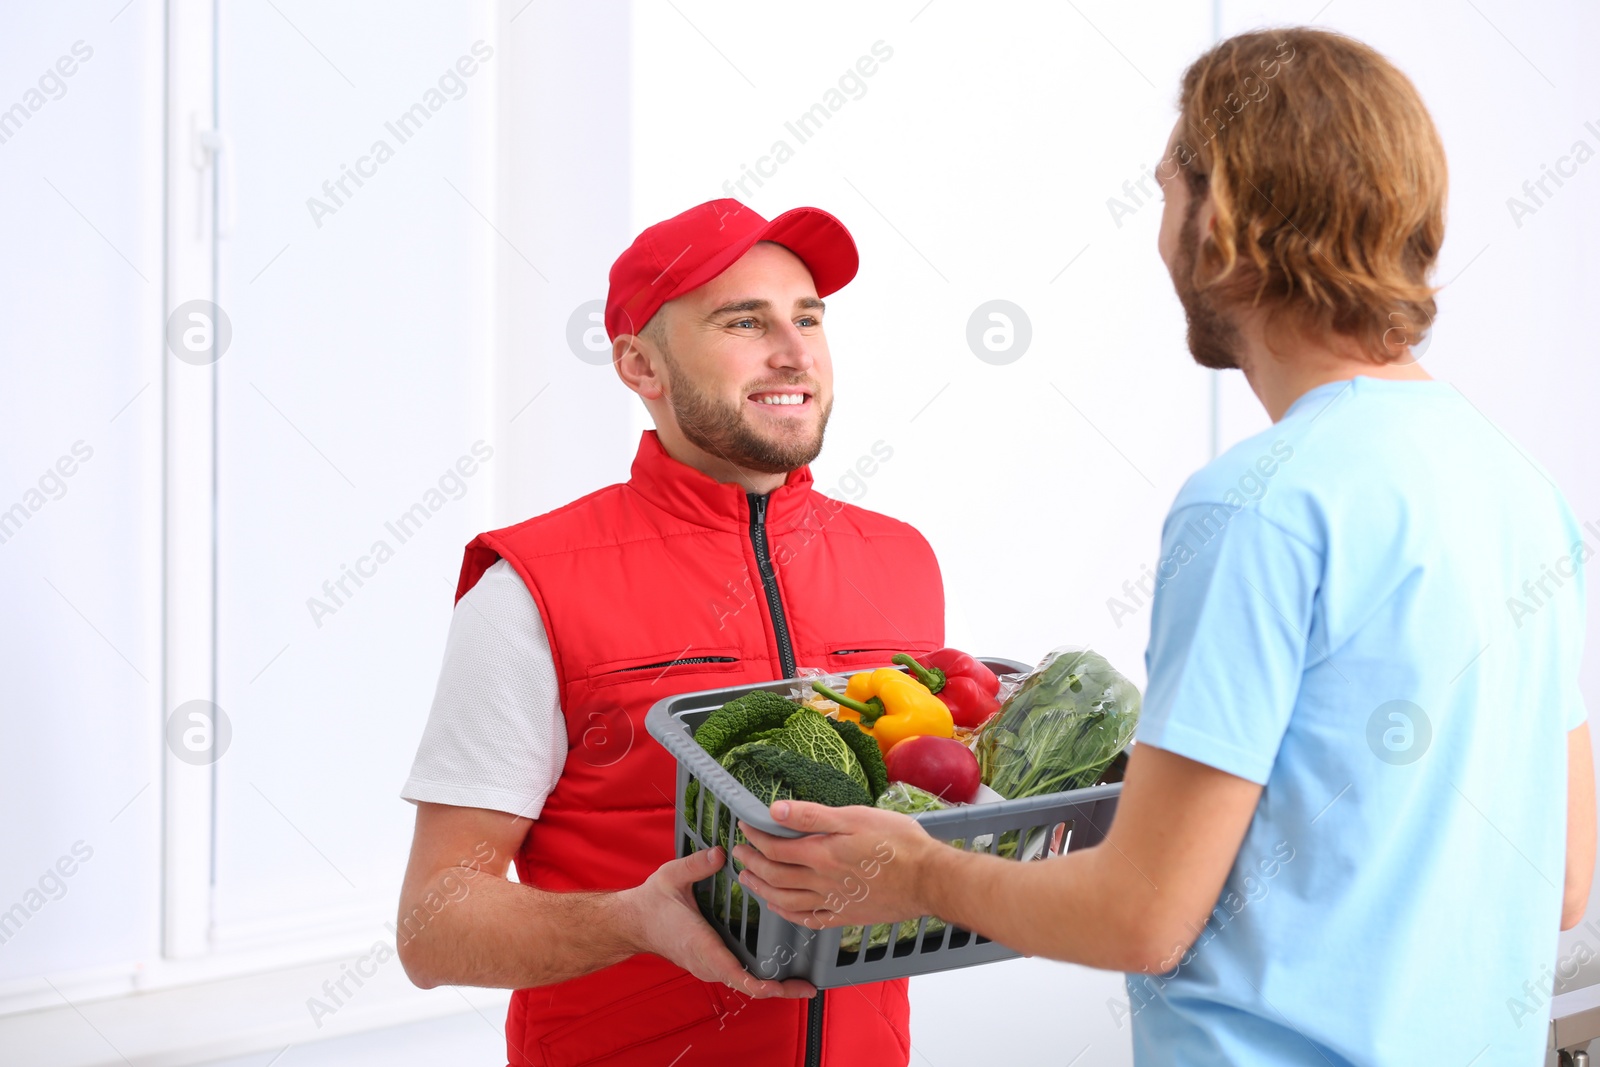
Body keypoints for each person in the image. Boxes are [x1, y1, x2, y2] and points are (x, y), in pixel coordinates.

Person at [735, 27, 1596, 1065]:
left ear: (1221, 220)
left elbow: (1142, 913)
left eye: (1167, 196)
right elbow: (1560, 877)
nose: (1160, 239)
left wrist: (918, 871)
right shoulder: (1516, 486)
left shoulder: (1255, 505)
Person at [394, 198, 938, 1066]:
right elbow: (433, 926)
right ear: (640, 365)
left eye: (808, 318)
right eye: (745, 321)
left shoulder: (902, 560)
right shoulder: (531, 587)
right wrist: (629, 923)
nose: (794, 351)